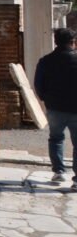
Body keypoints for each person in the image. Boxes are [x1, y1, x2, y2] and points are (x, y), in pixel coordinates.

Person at [35, 28, 77, 189]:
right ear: (73, 42)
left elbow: (38, 85)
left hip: (55, 108)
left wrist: (46, 99)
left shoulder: (45, 61)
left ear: (56, 42)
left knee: (56, 138)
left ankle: (59, 172)